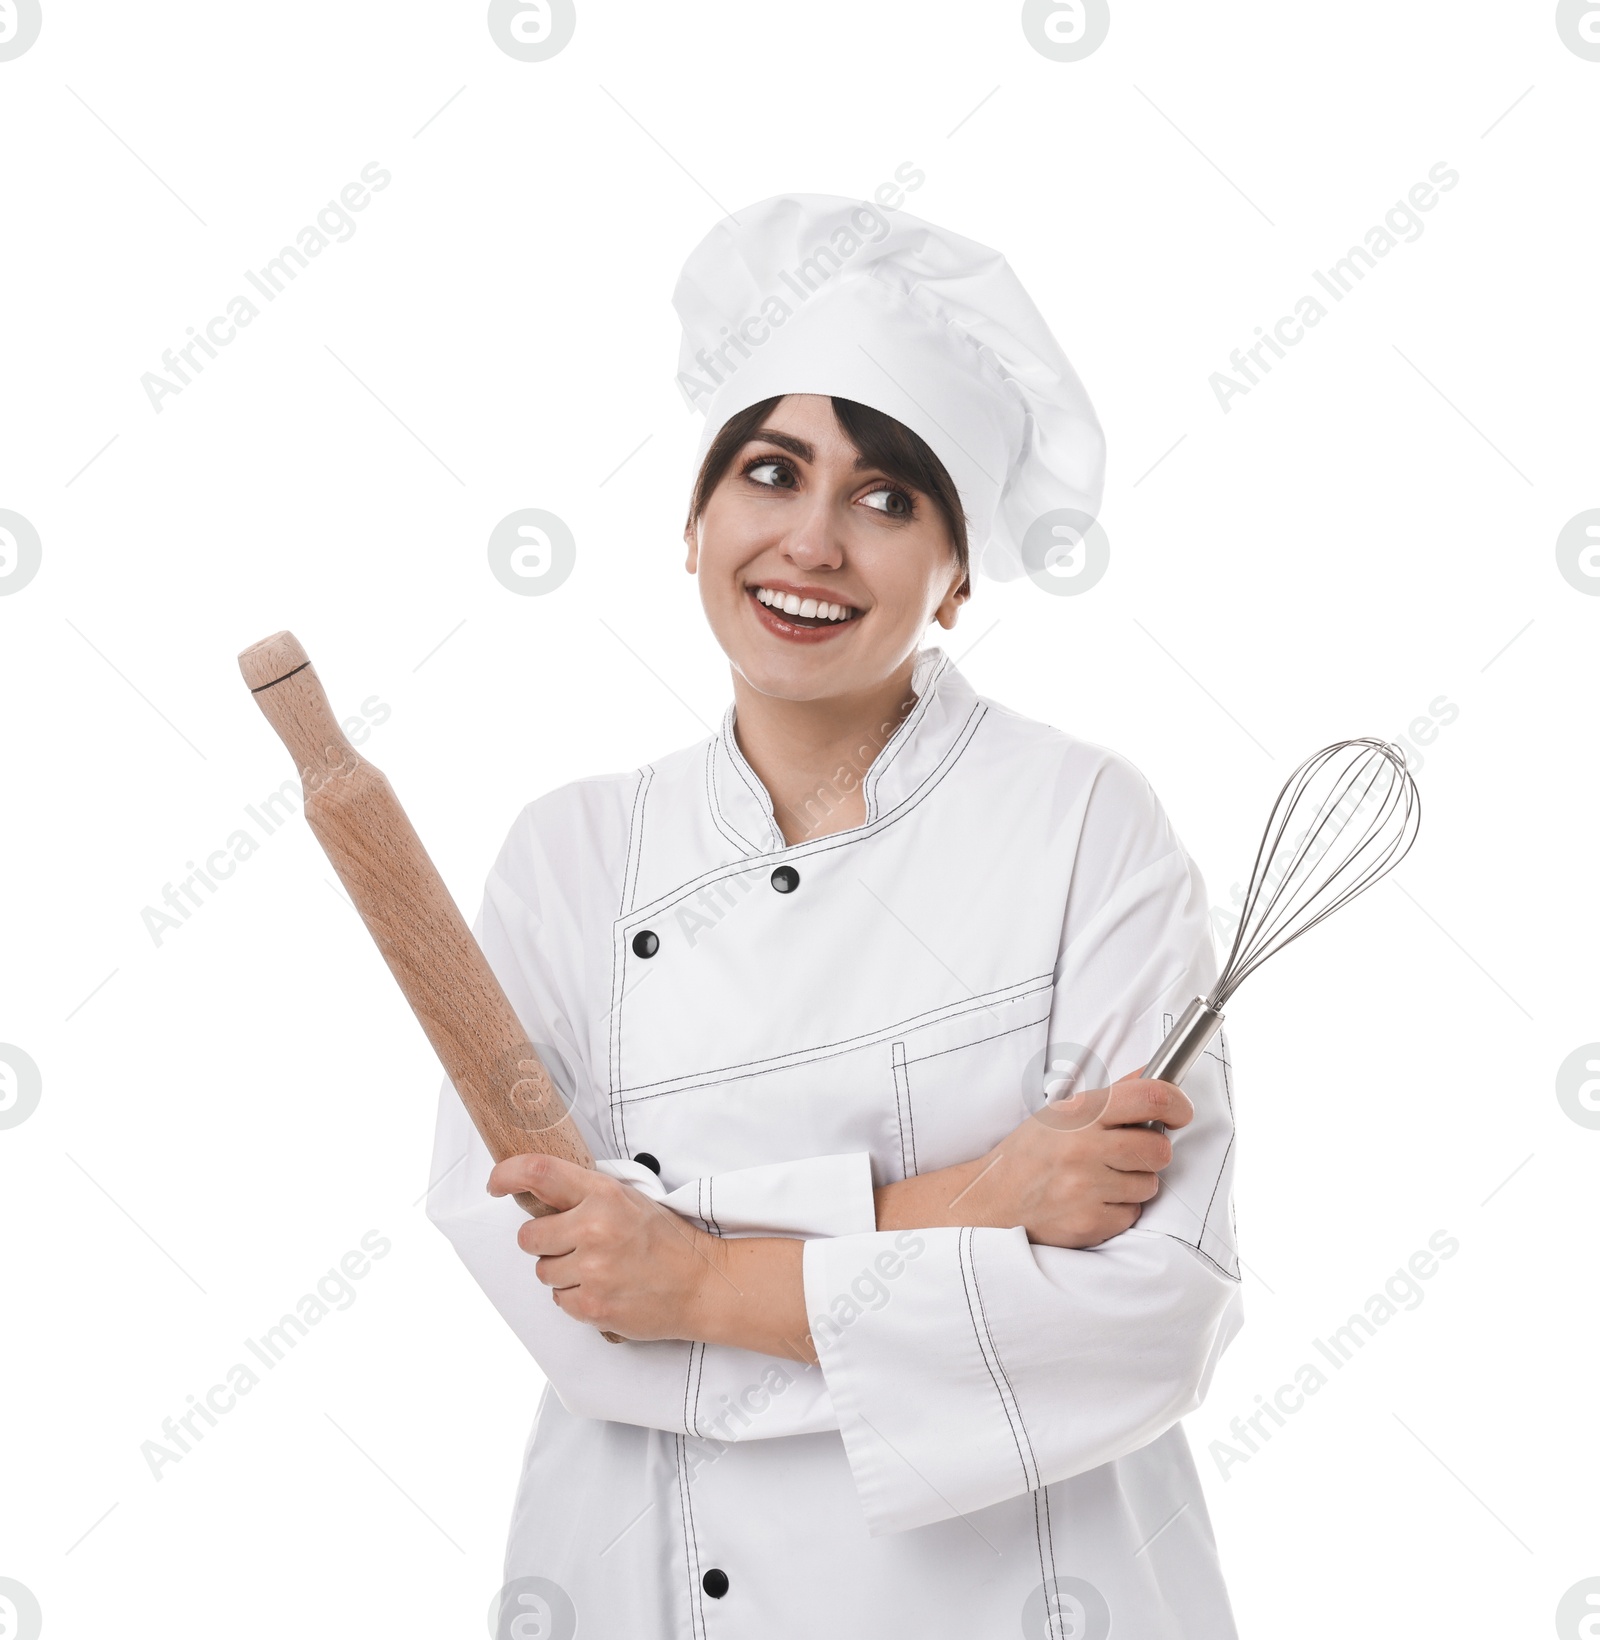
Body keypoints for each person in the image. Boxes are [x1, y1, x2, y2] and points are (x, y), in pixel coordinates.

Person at [427, 194, 1244, 1640]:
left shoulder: (1083, 827)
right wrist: (980, 1206)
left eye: (887, 497)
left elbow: (1146, 1317)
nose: (812, 541)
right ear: (692, 520)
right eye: (768, 470)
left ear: (960, 571)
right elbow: (574, 1291)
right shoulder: (569, 859)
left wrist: (701, 1274)